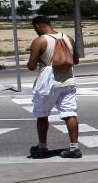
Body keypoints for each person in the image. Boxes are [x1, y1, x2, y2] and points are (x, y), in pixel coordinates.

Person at [26, 16, 81, 158]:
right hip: (68, 80)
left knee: (42, 115)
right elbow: (75, 61)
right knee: (70, 113)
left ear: (38, 26)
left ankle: (42, 148)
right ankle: (74, 148)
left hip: (48, 84)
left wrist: (39, 59)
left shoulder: (40, 41)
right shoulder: (68, 38)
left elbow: (31, 67)